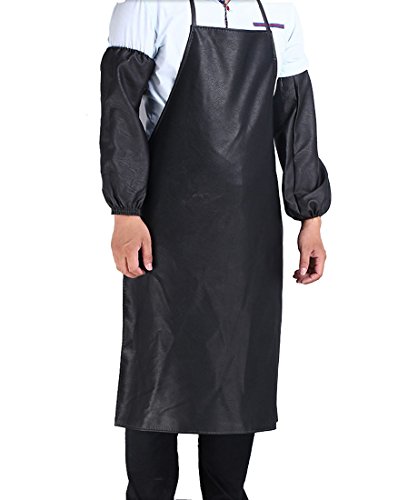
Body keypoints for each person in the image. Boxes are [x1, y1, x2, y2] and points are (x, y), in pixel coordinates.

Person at [99, 0, 331, 498]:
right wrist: (125, 211)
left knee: (237, 378)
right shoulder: (148, 5)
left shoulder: (279, 10)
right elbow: (120, 108)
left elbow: (295, 114)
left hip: (248, 230)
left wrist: (310, 216)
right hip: (164, 224)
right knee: (154, 374)